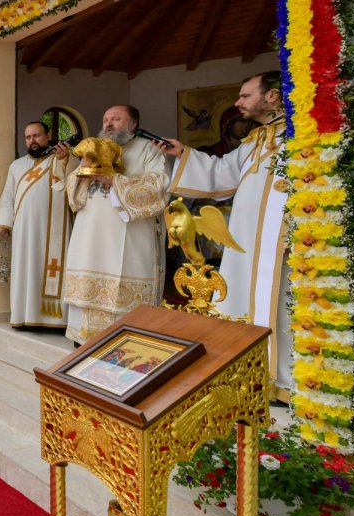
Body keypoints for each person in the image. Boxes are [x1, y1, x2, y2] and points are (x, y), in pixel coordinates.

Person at [156, 71, 292, 389]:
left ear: (272, 96)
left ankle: (284, 380)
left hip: (278, 244)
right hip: (244, 243)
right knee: (241, 300)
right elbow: (221, 174)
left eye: (244, 96)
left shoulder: (300, 137)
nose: (237, 103)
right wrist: (182, 153)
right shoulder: (255, 142)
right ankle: (251, 374)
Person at [61, 105, 169, 344]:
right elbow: (74, 195)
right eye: (106, 118)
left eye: (116, 119)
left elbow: (160, 185)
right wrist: (81, 171)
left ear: (133, 124)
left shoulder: (148, 150)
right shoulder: (93, 148)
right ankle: (83, 340)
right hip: (89, 235)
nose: (109, 124)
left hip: (129, 236)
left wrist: (113, 181)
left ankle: (126, 342)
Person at [0, 121, 78, 328]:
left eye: (37, 135)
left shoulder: (62, 158)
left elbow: (74, 183)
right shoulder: (17, 165)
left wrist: (66, 160)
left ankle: (58, 320)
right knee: (26, 268)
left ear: (48, 136)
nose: (32, 141)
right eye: (28, 137)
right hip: (24, 229)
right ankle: (26, 316)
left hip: (56, 228)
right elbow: (8, 195)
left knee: (56, 268)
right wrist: (4, 222)